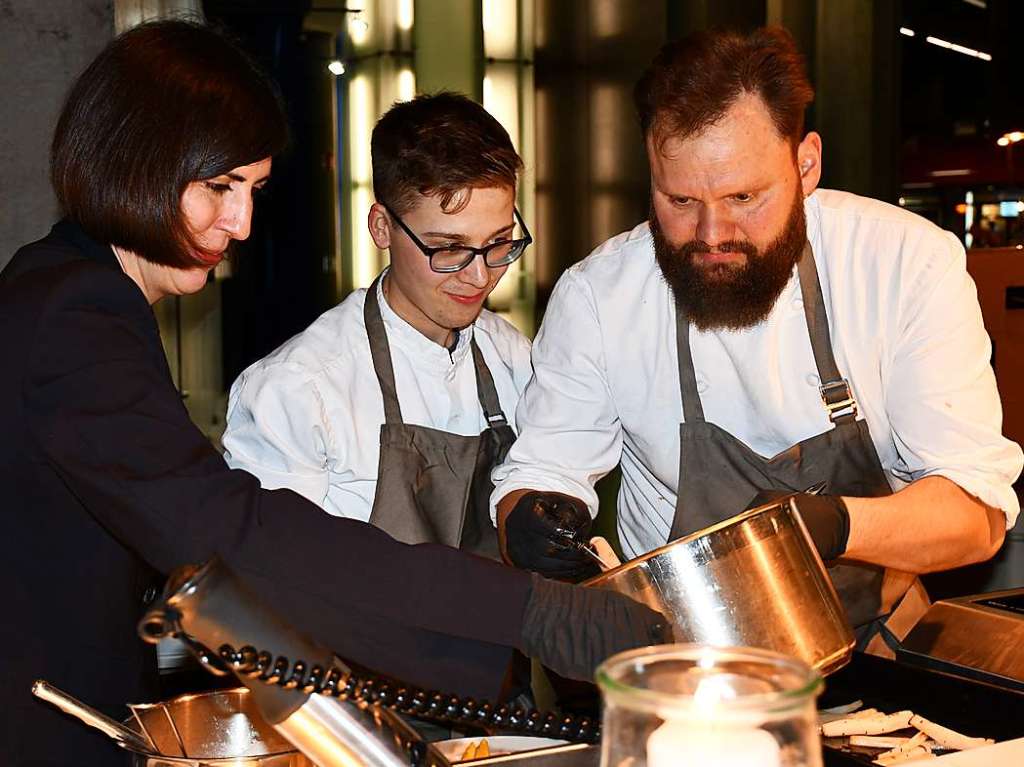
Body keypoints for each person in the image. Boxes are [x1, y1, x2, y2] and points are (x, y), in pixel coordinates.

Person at [0, 20, 666, 767]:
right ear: (133, 162)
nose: (242, 223)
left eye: (252, 190)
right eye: (219, 187)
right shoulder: (76, 314)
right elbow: (231, 536)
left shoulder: (71, 287)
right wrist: (530, 611)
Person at [491, 27, 1022, 652]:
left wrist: (831, 523)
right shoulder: (600, 296)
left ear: (806, 164)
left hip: (874, 644)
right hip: (681, 657)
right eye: (680, 199)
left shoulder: (903, 264)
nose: (712, 233)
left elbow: (974, 516)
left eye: (744, 196)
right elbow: (544, 470)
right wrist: (529, 517)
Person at [222, 93, 531, 562]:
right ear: (382, 227)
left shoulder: (516, 358)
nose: (479, 276)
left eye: (499, 243)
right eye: (448, 248)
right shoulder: (297, 389)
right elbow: (270, 582)